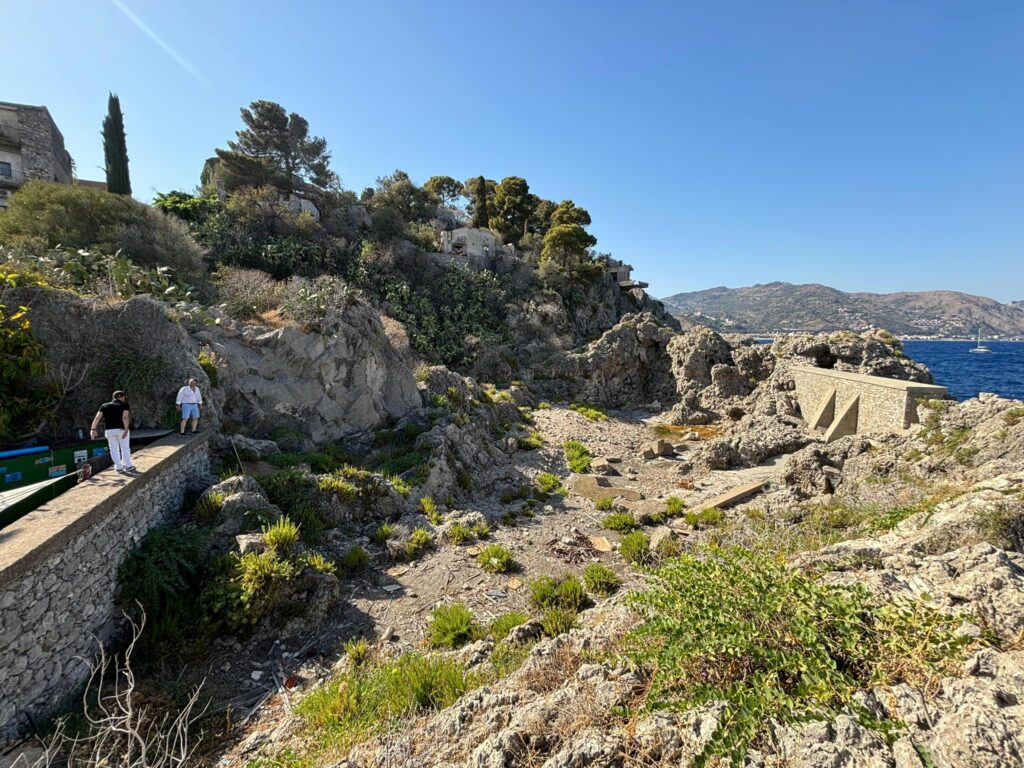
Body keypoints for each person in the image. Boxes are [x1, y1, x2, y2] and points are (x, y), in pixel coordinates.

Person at [90, 390, 136, 474]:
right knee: (124, 447)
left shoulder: (104, 405)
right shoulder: (125, 405)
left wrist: (93, 429)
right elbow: (125, 417)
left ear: (113, 397)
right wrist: (126, 429)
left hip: (109, 430)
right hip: (121, 430)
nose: (124, 399)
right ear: (121, 397)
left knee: (113, 448)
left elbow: (97, 418)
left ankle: (119, 467)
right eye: (124, 397)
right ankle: (128, 466)